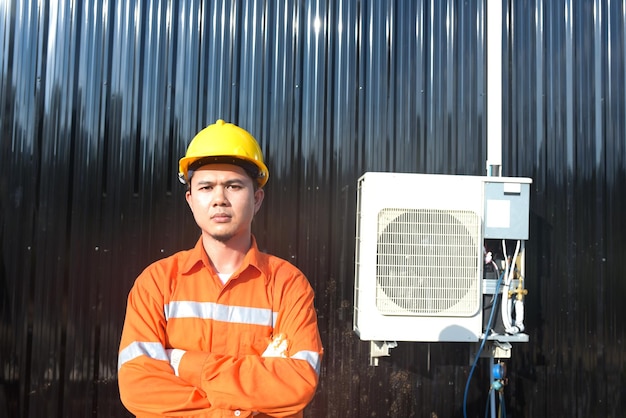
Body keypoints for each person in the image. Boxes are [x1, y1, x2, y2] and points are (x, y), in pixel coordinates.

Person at [117, 119, 324, 417]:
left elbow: (297, 383)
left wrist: (184, 362)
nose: (219, 199)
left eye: (233, 185)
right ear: (190, 199)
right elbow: (139, 386)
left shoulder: (288, 285)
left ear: (256, 199)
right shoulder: (157, 283)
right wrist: (232, 413)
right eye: (206, 187)